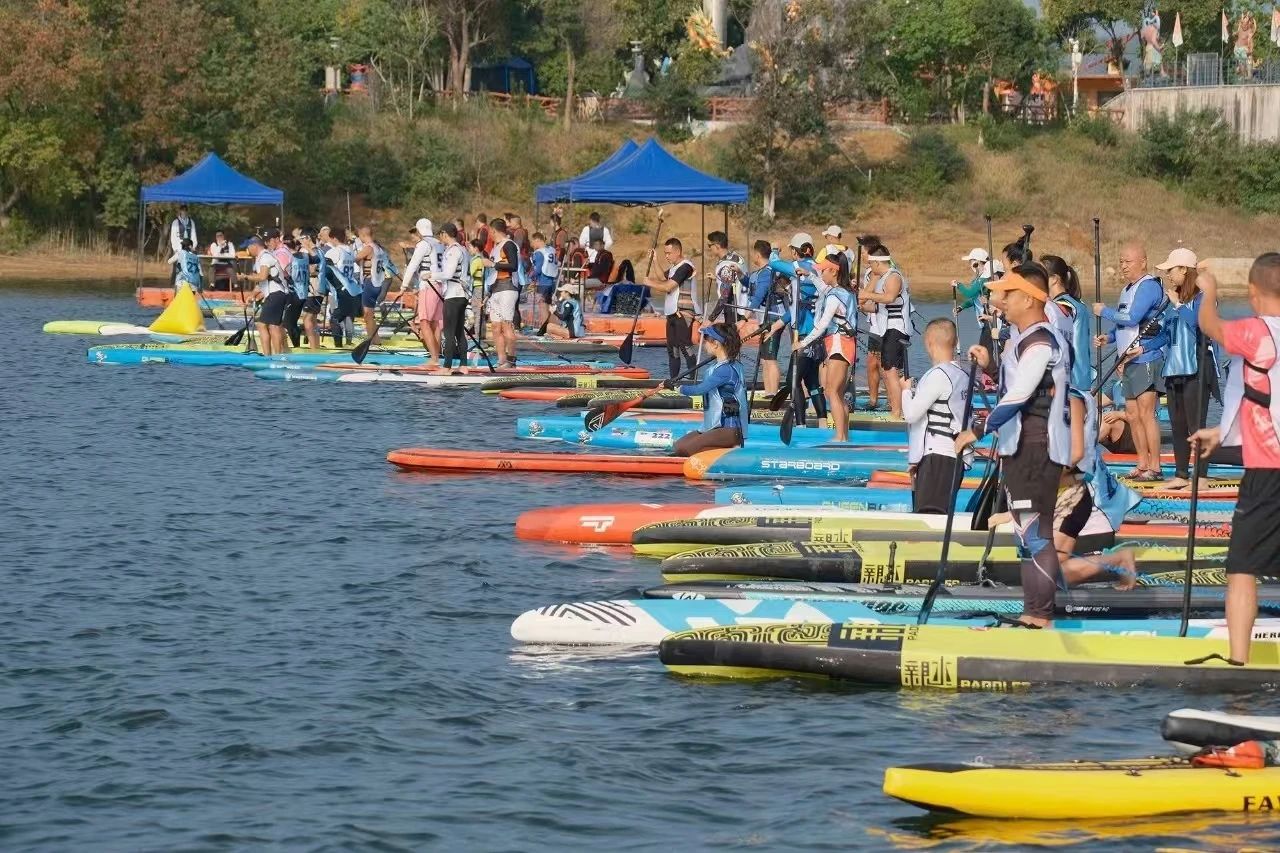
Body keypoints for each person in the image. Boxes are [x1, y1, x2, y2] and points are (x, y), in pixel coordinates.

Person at [956, 265, 1071, 628]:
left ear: (1028, 298)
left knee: (1035, 534)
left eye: (1006, 294)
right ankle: (1032, 613)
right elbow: (1014, 386)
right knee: (1026, 533)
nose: (998, 300)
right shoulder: (1022, 339)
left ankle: (1040, 619)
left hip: (1036, 446)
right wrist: (990, 366)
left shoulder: (1040, 340)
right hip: (1021, 446)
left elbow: (1021, 395)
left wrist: (976, 429)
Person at [1188, 253, 1280, 664]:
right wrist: (1223, 431)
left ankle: (1238, 664)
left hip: (1267, 471)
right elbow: (1261, 394)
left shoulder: (1258, 331)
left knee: (1242, 568)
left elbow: (1208, 325)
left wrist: (1209, 292)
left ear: (1253, 293)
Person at [1094, 242, 1169, 481]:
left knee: (1146, 415)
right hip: (1127, 360)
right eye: (1121, 262)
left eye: (1128, 261)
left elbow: (1133, 317)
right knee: (1133, 415)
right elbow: (1125, 324)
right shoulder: (1128, 288)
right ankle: (1142, 463)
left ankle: (1155, 467)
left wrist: (1104, 311)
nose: (1123, 266)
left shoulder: (1148, 286)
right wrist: (1110, 337)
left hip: (1146, 358)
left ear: (1143, 262)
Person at [1157, 247, 1216, 490]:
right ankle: (1181, 474)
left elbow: (1200, 325)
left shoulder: (1202, 298)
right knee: (1178, 424)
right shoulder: (1173, 302)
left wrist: (1179, 305)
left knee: (1196, 425)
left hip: (1197, 370)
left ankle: (1200, 477)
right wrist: (1141, 347)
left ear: (1184, 269)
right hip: (1174, 371)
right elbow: (1167, 335)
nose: (1168, 275)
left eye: (1171, 270)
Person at [903, 319, 970, 514]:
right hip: (952, 457)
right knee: (939, 514)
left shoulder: (938, 375)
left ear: (929, 343)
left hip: (938, 456)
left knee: (929, 515)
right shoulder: (963, 374)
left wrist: (906, 391)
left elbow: (911, 414)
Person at [796, 254, 858, 441]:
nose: (821, 273)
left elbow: (822, 325)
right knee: (837, 393)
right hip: (844, 345)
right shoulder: (841, 291)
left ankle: (839, 437)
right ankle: (844, 436)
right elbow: (824, 289)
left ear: (833, 271)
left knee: (832, 392)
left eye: (823, 270)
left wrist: (803, 343)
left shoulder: (834, 297)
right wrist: (810, 275)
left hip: (839, 345)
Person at [769, 233, 826, 425]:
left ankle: (801, 425)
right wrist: (778, 324)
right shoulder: (819, 269)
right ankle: (822, 424)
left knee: (792, 382)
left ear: (795, 251)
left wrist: (775, 249)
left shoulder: (798, 268)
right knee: (812, 383)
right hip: (817, 336)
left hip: (803, 336)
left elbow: (773, 262)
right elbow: (797, 307)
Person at [668, 322, 749, 457]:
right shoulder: (719, 366)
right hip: (715, 427)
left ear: (716, 344)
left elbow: (699, 389)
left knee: (684, 451)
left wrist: (676, 387)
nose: (704, 343)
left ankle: (726, 454)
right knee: (678, 446)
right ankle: (715, 452)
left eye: (706, 340)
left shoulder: (725, 370)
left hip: (728, 430)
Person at [860, 243, 911, 418]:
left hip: (896, 329)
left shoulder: (893, 276)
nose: (869, 267)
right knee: (890, 371)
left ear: (876, 263)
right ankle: (899, 409)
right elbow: (869, 304)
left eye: (870, 263)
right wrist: (866, 295)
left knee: (890, 372)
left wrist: (868, 295)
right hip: (886, 330)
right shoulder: (881, 278)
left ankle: (897, 412)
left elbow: (889, 297)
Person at [644, 237, 699, 379]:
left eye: (668, 253)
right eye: (665, 253)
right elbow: (662, 277)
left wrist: (650, 283)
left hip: (684, 312)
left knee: (684, 346)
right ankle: (673, 380)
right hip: (672, 313)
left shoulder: (686, 267)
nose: (666, 256)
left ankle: (692, 378)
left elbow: (668, 286)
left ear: (678, 251)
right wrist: (655, 260)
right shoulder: (675, 268)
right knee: (672, 349)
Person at [1042, 255, 1093, 393]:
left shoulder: (1058, 307)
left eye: (1041, 276)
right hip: (1083, 378)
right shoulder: (1079, 304)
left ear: (1054, 279)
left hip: (1069, 379)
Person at [745, 239, 786, 395]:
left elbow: (758, 296)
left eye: (753, 255)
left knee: (770, 358)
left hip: (774, 318)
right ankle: (768, 392)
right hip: (765, 320)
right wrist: (742, 276)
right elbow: (751, 285)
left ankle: (773, 394)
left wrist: (744, 318)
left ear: (757, 255)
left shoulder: (767, 272)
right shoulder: (760, 273)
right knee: (764, 359)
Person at [403, 218, 443, 366]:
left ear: (419, 230)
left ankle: (434, 359)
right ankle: (437, 357)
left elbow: (412, 266)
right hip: (440, 286)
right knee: (435, 324)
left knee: (425, 322)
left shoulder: (423, 244)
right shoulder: (439, 243)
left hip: (428, 286)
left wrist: (403, 286)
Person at [482, 217, 521, 367]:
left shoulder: (509, 245)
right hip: (495, 291)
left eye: (490, 232)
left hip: (508, 289)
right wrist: (488, 294)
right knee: (496, 328)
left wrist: (492, 264)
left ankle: (511, 361)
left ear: (493, 230)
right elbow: (493, 275)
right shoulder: (495, 247)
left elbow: (513, 266)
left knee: (506, 326)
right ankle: (501, 360)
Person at [431, 222, 471, 369]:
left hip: (454, 295)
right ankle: (463, 366)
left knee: (448, 332)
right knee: (459, 331)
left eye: (440, 235)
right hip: (462, 295)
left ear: (445, 234)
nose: (440, 238)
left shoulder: (453, 250)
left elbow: (448, 274)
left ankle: (447, 367)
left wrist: (431, 275)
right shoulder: (463, 249)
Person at [241, 236, 288, 356]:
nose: (248, 250)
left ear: (254, 246)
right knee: (272, 326)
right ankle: (274, 355)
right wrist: (252, 296)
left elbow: (262, 276)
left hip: (276, 294)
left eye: (248, 247)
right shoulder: (261, 258)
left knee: (266, 325)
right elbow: (262, 283)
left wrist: (245, 277)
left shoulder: (265, 257)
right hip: (275, 294)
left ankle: (273, 356)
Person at [322, 227, 362, 349]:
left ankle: (338, 347)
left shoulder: (334, 251)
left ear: (334, 238)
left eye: (331, 239)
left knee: (334, 319)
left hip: (339, 291)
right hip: (352, 288)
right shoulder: (350, 251)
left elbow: (323, 269)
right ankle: (349, 343)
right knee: (347, 316)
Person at [355, 225, 395, 346]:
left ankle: (371, 341)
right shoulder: (379, 248)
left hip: (369, 282)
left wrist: (360, 259)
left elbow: (356, 258)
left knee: (367, 315)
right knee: (370, 315)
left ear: (363, 236)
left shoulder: (368, 248)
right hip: (378, 282)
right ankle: (376, 340)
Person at [706, 231, 745, 323]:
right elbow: (734, 280)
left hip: (733, 309)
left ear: (717, 246)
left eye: (709, 245)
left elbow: (725, 294)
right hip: (742, 307)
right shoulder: (736, 257)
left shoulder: (726, 265)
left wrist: (711, 318)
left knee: (730, 337)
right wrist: (718, 278)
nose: (709, 248)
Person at [296, 232, 324, 350]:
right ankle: (316, 347)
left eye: (302, 238)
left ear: (308, 237)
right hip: (318, 287)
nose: (300, 241)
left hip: (313, 287)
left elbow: (312, 270)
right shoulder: (319, 250)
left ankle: (313, 348)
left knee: (307, 319)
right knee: (312, 319)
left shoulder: (313, 251)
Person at [282, 237, 311, 349]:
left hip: (294, 293)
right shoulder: (304, 257)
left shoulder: (290, 258)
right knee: (292, 322)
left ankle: (295, 346)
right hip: (303, 292)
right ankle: (297, 344)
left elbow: (285, 273)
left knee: (288, 323)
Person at [530, 232, 559, 328]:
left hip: (543, 282)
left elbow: (537, 269)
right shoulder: (552, 250)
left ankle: (545, 329)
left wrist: (531, 277)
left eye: (533, 242)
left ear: (537, 240)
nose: (532, 245)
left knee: (543, 307)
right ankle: (554, 328)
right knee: (550, 307)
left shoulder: (539, 252)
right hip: (552, 282)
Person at [169, 204, 197, 288]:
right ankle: (175, 284)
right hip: (179, 246)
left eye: (185, 210)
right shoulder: (175, 222)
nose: (184, 212)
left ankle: (190, 284)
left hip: (189, 247)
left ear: (187, 212)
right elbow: (173, 238)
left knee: (190, 265)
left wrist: (192, 246)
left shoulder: (191, 222)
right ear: (180, 211)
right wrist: (176, 249)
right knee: (177, 266)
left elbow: (193, 236)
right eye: (182, 210)